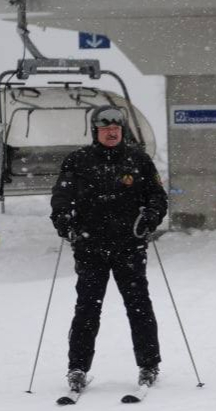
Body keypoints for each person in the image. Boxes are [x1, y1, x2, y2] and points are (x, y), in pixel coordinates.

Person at [50, 105, 168, 393]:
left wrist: (151, 217)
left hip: (129, 247)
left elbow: (157, 198)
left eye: (116, 129)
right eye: (105, 129)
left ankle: (149, 364)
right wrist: (65, 221)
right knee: (87, 310)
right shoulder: (77, 161)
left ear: (122, 130)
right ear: (96, 131)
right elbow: (61, 199)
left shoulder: (138, 159)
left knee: (139, 307)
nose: (112, 133)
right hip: (91, 248)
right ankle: (77, 368)